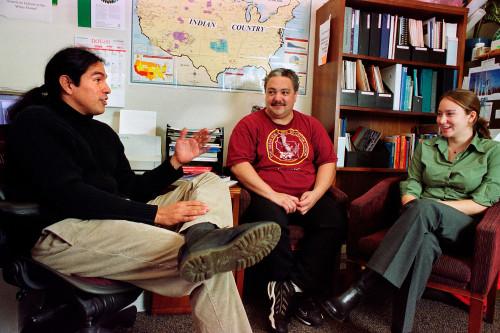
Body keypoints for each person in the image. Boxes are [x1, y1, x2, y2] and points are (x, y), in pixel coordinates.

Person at [5, 47, 282, 333]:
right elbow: (69, 194)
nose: (107, 88)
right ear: (68, 84)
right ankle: (204, 243)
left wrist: (175, 162)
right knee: (213, 261)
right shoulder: (37, 121)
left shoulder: (103, 134)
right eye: (98, 79)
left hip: (108, 223)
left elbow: (133, 190)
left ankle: (202, 235)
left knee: (208, 183)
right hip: (61, 233)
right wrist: (155, 214)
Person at [321, 88, 500, 333]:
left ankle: (362, 288)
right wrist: (411, 202)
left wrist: (426, 206)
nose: (441, 120)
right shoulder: (427, 148)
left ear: (471, 116)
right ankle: (401, 328)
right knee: (424, 245)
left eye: (450, 114)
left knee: (426, 208)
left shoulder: (492, 151)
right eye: (439, 114)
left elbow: (483, 202)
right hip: (419, 221)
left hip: (463, 228)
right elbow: (412, 182)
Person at [226, 68, 348, 333]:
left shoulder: (311, 125)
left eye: (284, 92)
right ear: (265, 94)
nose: (277, 98)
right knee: (273, 225)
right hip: (267, 195)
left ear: (294, 96)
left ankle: (291, 289)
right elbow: (238, 165)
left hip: (307, 195)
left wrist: (315, 195)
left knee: (335, 222)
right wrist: (274, 195)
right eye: (272, 92)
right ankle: (288, 293)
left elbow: (328, 162)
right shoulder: (249, 124)